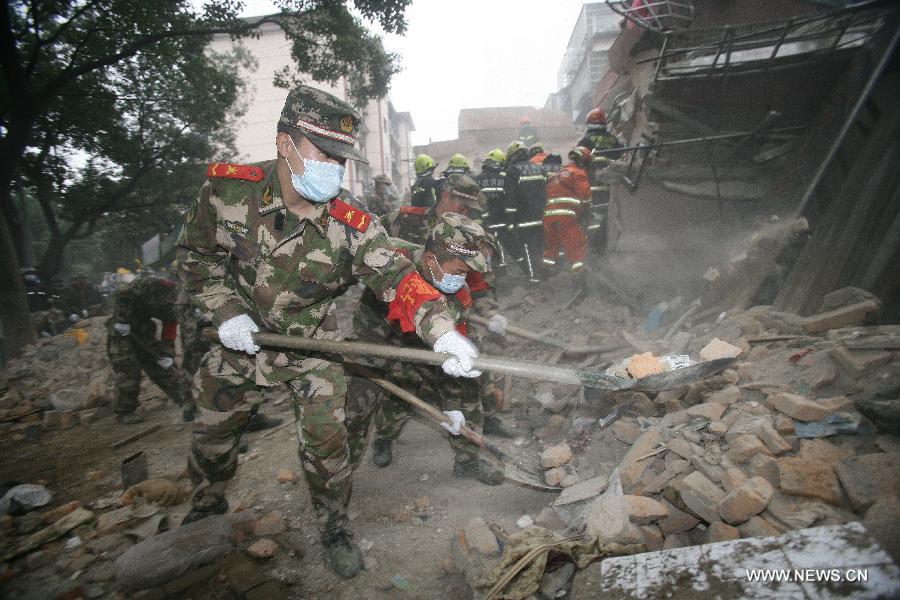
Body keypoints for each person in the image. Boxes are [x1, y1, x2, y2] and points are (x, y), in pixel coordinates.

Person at [176, 85, 480, 579]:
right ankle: (207, 504)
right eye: (326, 154)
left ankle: (334, 524)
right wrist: (226, 310)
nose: (335, 170)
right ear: (285, 143)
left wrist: (443, 331)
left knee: (327, 444)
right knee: (212, 435)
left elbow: (398, 277)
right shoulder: (228, 191)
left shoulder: (351, 220)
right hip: (239, 338)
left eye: (343, 160)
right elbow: (196, 258)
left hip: (312, 344)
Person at [345, 213, 505, 484]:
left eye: (467, 273)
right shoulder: (389, 254)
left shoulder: (456, 297)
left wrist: (453, 407)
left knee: (467, 391)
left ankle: (467, 460)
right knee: (358, 407)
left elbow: (452, 361)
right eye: (459, 271)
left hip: (425, 342)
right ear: (431, 260)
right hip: (376, 337)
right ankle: (348, 467)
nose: (463, 279)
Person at [107, 275, 190, 424]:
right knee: (128, 369)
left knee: (165, 368)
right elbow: (122, 293)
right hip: (121, 332)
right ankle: (125, 412)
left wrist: (167, 354)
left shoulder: (178, 307)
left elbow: (170, 328)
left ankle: (185, 400)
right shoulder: (155, 284)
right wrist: (122, 320)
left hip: (143, 330)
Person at [386, 172, 488, 244]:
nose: (465, 214)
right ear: (445, 197)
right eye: (463, 207)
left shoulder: (470, 236)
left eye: (470, 210)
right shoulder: (404, 219)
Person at [578, 107, 623, 252]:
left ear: (590, 123)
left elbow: (579, 160)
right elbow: (620, 156)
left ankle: (591, 245)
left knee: (590, 215)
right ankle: (602, 244)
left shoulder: (585, 139)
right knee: (604, 216)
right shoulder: (612, 139)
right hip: (608, 186)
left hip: (591, 184)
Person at [542, 147, 591, 274]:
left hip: (548, 218)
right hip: (565, 217)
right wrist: (585, 207)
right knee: (577, 246)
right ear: (582, 161)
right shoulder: (578, 173)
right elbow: (585, 195)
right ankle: (579, 277)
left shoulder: (558, 174)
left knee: (552, 247)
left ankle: (545, 275)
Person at [504, 141, 547, 282]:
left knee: (526, 248)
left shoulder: (512, 171)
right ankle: (543, 272)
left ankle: (534, 277)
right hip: (541, 216)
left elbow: (510, 198)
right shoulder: (537, 167)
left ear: (512, 156)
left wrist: (510, 220)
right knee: (539, 246)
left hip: (523, 218)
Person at [474, 149, 517, 268]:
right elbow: (510, 200)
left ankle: (493, 270)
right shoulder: (504, 179)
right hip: (503, 221)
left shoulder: (476, 180)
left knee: (487, 249)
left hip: (484, 222)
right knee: (512, 248)